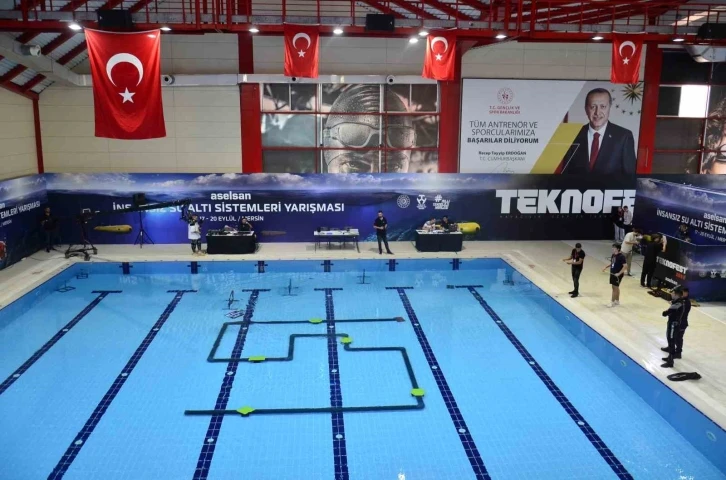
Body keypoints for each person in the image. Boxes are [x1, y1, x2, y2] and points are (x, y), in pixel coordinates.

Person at [560, 88, 637, 174]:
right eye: (593, 107)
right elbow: (565, 175)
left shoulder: (623, 137)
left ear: (609, 108)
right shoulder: (573, 135)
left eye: (602, 107)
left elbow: (630, 177)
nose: (597, 112)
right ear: (586, 109)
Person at [660, 286, 691, 368]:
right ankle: (670, 356)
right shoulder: (679, 301)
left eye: (673, 293)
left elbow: (666, 313)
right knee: (672, 340)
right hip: (674, 323)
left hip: (676, 324)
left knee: (674, 340)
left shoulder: (680, 303)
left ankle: (672, 359)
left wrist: (667, 310)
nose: (671, 294)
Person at [603, 243, 627, 307]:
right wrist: (606, 267)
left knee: (615, 288)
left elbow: (625, 266)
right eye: (612, 247)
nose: (612, 249)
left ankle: (612, 302)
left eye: (614, 248)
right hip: (613, 273)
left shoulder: (621, 256)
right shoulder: (613, 255)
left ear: (618, 249)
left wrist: (619, 273)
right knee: (615, 288)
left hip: (617, 275)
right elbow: (612, 263)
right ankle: (617, 301)